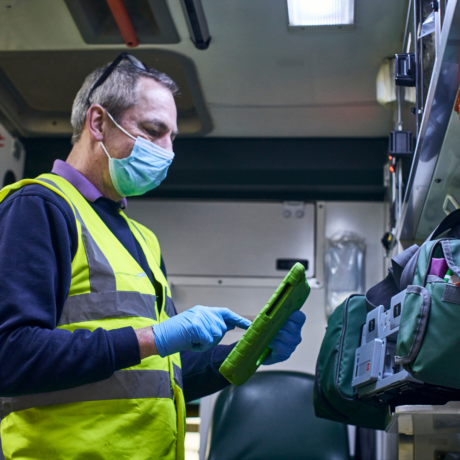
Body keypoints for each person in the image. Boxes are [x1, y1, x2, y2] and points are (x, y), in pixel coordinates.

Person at [0, 53, 306, 460]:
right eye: (153, 131)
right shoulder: (39, 207)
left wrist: (245, 352)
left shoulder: (143, 239)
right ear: (98, 123)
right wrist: (153, 338)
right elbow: (11, 356)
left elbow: (161, 377)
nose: (167, 151)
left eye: (172, 137)